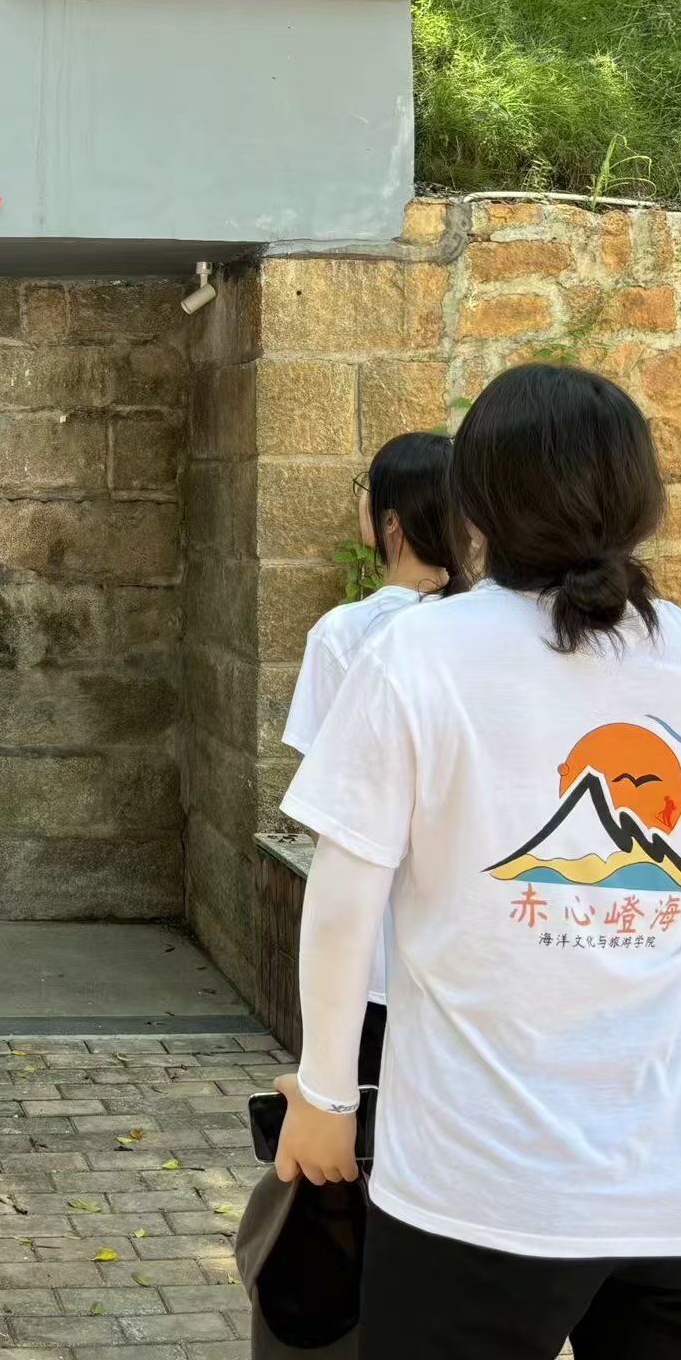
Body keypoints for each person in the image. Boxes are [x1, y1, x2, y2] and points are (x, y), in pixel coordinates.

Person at [274, 363, 681, 1360]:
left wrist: (325, 1096)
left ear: (477, 504)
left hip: (473, 1186)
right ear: (640, 498)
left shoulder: (416, 654)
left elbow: (344, 898)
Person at [281, 430, 471, 1085]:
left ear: (390, 523)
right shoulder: (486, 631)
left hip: (376, 949)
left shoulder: (345, 634)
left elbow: (330, 815)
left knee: (366, 1122)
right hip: (470, 948)